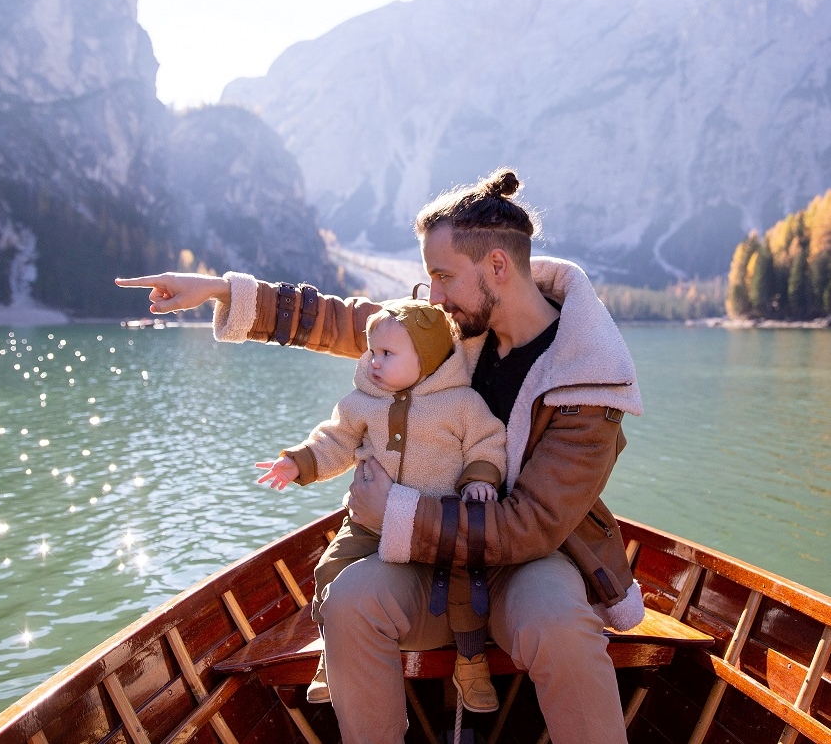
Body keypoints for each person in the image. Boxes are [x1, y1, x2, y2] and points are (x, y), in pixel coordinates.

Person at [116, 167, 645, 744]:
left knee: (561, 625)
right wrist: (221, 290)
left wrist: (394, 511)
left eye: (442, 276)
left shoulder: (587, 380)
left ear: (497, 266)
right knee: (349, 601)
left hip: (528, 562)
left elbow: (534, 526)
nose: (433, 296)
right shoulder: (453, 325)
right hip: (427, 566)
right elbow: (350, 321)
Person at [255, 297, 507, 712]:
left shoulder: (461, 403)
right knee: (330, 568)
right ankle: (331, 653)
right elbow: (334, 440)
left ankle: (471, 659)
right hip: (369, 525)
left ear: (426, 358)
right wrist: (298, 462)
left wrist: (480, 477)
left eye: (388, 354)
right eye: (373, 351)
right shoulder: (363, 401)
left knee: (466, 584)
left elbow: (488, 441)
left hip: (437, 523)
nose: (374, 361)